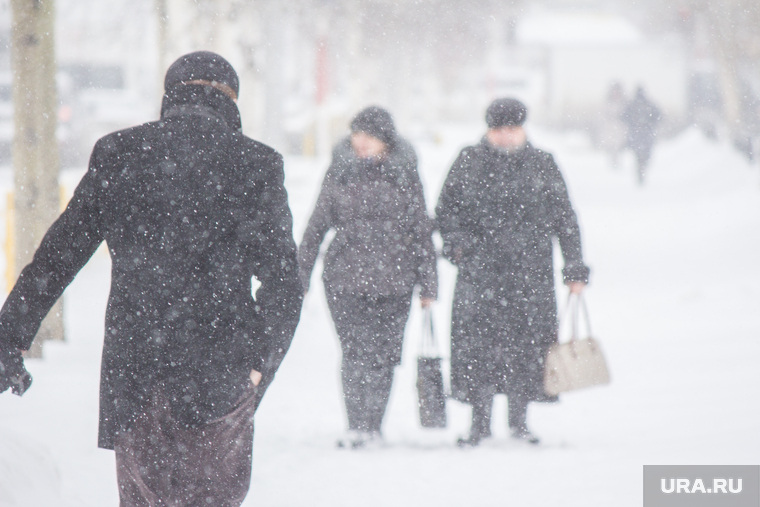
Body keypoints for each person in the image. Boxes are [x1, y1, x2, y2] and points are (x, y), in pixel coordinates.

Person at [0, 51, 303, 505]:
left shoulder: (120, 152)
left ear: (170, 95)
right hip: (220, 369)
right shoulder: (256, 164)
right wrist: (261, 364)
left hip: (136, 366)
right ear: (232, 100)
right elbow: (283, 282)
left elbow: (58, 256)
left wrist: (10, 333)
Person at [435, 98, 590, 447]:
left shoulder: (542, 165)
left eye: (511, 129)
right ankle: (479, 424)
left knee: (526, 348)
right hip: (480, 274)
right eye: (497, 130)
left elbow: (565, 218)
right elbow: (446, 211)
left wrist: (574, 267)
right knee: (478, 349)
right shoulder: (468, 162)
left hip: (529, 275)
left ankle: (520, 422)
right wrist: (458, 246)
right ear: (488, 130)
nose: (504, 137)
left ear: (522, 129)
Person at [298, 106, 437, 449]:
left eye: (369, 136)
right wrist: (299, 277)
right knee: (355, 353)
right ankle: (356, 425)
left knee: (384, 355)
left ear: (385, 140)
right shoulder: (339, 172)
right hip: (344, 278)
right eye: (357, 134)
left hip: (396, 280)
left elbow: (421, 230)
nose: (361, 142)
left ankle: (373, 425)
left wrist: (429, 284)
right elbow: (316, 226)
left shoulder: (405, 174)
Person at [622, 86, 662, 185]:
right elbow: (659, 115)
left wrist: (633, 123)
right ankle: (642, 168)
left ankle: (640, 169)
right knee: (645, 155)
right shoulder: (649, 104)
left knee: (638, 156)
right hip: (646, 134)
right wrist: (650, 123)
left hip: (636, 134)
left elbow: (623, 116)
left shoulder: (632, 104)